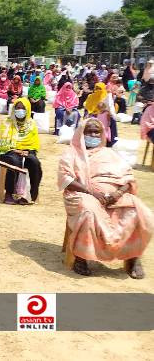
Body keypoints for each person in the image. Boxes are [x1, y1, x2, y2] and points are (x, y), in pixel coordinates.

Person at [59, 118, 153, 278]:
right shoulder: (72, 153)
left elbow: (128, 178)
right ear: (82, 133)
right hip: (84, 194)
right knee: (88, 211)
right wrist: (92, 193)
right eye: (89, 131)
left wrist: (118, 193)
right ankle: (81, 257)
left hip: (115, 196)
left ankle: (133, 257)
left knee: (140, 212)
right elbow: (66, 179)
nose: (93, 135)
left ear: (103, 134)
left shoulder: (110, 153)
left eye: (97, 132)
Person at [0, 98, 42, 204]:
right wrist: (15, 150)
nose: (20, 110)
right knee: (15, 162)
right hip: (9, 151)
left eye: (23, 108)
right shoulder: (7, 122)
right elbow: (1, 142)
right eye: (18, 108)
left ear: (28, 110)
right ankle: (10, 193)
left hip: (26, 151)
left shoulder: (31, 124)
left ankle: (30, 194)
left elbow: (33, 144)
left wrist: (28, 152)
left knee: (35, 162)